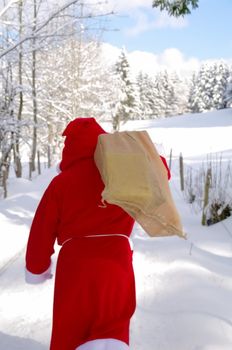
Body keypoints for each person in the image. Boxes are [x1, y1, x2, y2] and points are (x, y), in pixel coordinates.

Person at [25, 117, 170, 350]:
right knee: (111, 332)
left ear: (69, 150)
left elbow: (41, 230)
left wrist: (37, 267)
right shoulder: (124, 174)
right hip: (117, 262)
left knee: (71, 330)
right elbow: (161, 175)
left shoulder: (61, 183)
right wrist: (146, 153)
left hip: (75, 267)